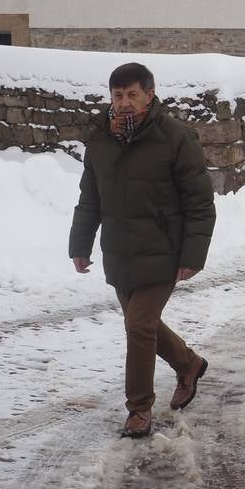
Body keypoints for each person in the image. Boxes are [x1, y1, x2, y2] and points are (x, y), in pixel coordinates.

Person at [68, 62, 216, 438]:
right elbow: (90, 199)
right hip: (120, 253)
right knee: (144, 325)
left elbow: (199, 202)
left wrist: (191, 256)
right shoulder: (101, 139)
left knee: (137, 325)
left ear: (149, 95)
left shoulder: (176, 137)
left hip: (163, 251)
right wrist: (80, 244)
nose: (125, 103)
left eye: (133, 94)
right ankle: (189, 364)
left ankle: (139, 409)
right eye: (118, 96)